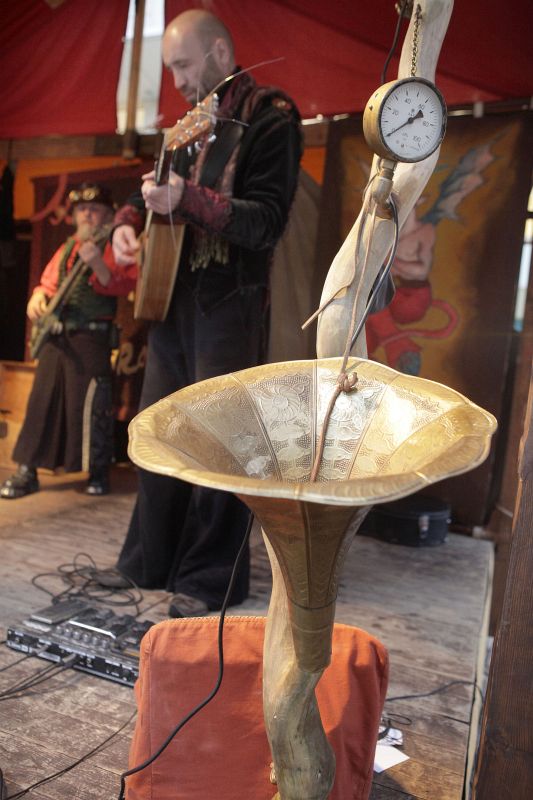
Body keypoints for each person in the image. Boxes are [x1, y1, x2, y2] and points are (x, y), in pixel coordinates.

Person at [97, 9, 302, 618]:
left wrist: (186, 197)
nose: (178, 81)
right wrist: (127, 223)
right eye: (171, 70)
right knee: (158, 432)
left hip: (230, 305)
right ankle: (147, 561)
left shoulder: (272, 117)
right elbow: (149, 189)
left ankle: (212, 577)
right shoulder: (188, 125)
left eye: (183, 66)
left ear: (217, 53)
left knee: (221, 442)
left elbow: (266, 222)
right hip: (174, 299)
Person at [0, 183, 137, 499]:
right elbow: (49, 282)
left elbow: (125, 283)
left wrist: (98, 263)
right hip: (57, 336)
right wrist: (38, 295)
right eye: (82, 209)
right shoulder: (67, 247)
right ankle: (27, 470)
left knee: (92, 403)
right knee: (41, 401)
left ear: (109, 215)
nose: (87, 214)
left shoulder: (114, 244)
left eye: (95, 209)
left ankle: (98, 471)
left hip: (91, 336)